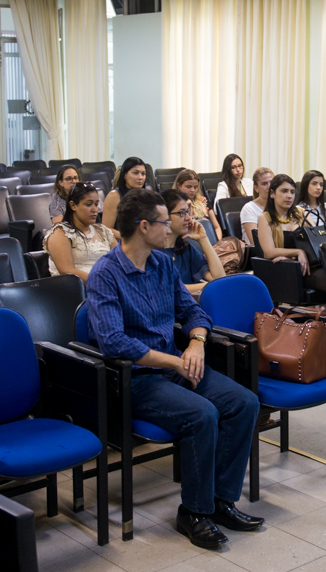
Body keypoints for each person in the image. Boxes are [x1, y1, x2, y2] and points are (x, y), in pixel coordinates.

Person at [87, 188, 263, 549]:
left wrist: (197, 341)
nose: (172, 228)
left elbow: (193, 312)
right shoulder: (105, 274)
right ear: (143, 226)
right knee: (202, 415)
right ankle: (194, 513)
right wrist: (176, 360)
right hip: (136, 379)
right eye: (165, 222)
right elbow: (114, 343)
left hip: (176, 367)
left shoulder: (162, 265)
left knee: (245, 403)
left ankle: (220, 501)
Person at [256, 173, 326, 294]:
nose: (289, 196)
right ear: (272, 194)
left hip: (311, 264)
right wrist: (297, 252)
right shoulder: (265, 218)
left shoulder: (301, 212)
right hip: (289, 269)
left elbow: (315, 241)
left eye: (292, 192)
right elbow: (269, 252)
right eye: (284, 191)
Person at [43, 182, 117, 283]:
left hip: (108, 287)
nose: (95, 209)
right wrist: (102, 282)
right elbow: (67, 272)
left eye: (96, 204)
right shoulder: (60, 233)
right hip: (78, 293)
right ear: (73, 205)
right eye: (89, 204)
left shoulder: (103, 231)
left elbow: (120, 261)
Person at [160, 189, 226, 295]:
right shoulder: (153, 253)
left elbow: (219, 277)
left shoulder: (185, 248)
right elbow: (171, 289)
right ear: (165, 216)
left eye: (188, 212)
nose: (188, 218)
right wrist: (212, 285)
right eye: (182, 213)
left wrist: (203, 239)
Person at [102, 157, 147, 235]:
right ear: (125, 175)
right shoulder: (114, 196)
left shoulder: (146, 196)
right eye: (136, 173)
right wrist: (130, 239)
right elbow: (106, 230)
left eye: (143, 174)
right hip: (121, 242)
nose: (140, 177)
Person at [173, 169, 222, 241]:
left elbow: (216, 227)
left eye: (195, 187)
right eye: (188, 187)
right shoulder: (173, 205)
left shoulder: (203, 202)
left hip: (208, 242)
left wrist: (218, 243)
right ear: (178, 186)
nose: (193, 190)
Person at [240, 167, 273, 245]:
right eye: (264, 184)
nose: (269, 187)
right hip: (259, 254)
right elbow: (256, 242)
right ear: (256, 188)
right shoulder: (249, 209)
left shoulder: (279, 205)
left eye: (271, 182)